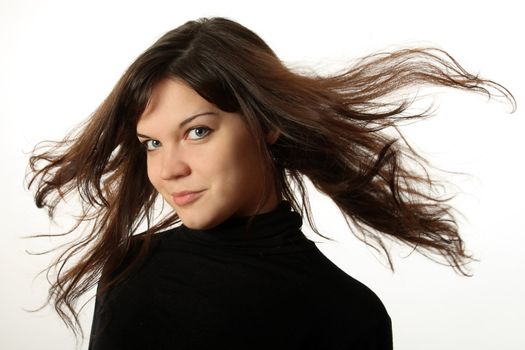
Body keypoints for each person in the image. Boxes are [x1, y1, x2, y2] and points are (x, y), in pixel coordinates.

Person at [27, 17, 514, 349]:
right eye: (151, 143)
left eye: (197, 131)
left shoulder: (352, 313)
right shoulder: (139, 273)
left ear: (265, 123)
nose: (168, 168)